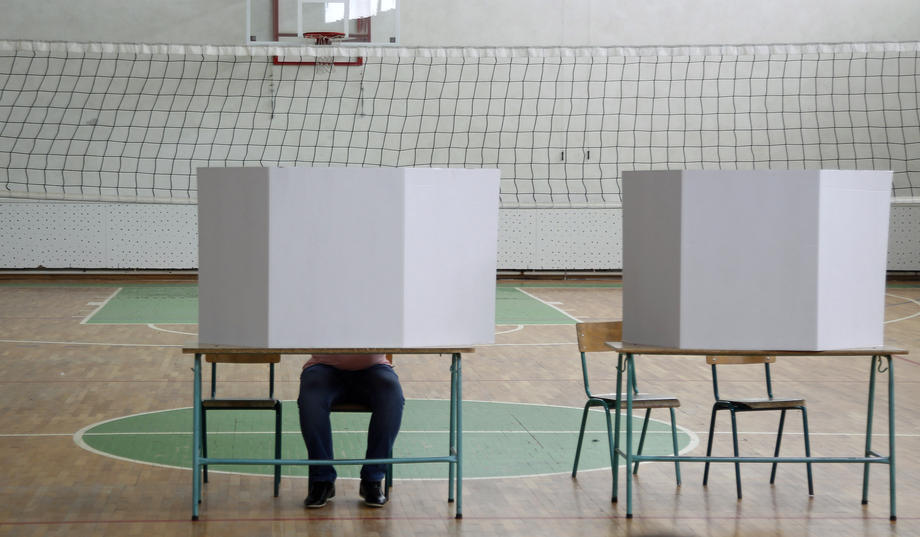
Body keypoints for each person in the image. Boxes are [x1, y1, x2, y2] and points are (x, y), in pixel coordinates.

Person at [297, 352, 404, 508]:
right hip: (323, 368)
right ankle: (322, 479)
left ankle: (372, 479)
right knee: (311, 400)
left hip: (374, 369)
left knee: (391, 395)